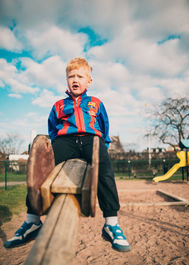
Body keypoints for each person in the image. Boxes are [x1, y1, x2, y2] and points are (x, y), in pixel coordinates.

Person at [4, 58, 131, 252]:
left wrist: (101, 146)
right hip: (65, 141)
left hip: (91, 139)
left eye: (80, 76)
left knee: (104, 170)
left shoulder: (96, 103)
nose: (75, 79)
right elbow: (52, 128)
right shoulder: (58, 105)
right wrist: (57, 144)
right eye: (71, 76)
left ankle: (111, 223)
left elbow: (104, 127)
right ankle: (33, 221)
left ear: (89, 81)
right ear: (66, 80)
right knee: (40, 168)